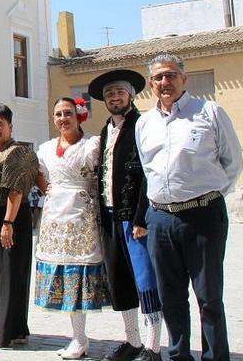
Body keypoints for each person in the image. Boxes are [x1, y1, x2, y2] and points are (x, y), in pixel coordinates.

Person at [136, 54, 242, 361]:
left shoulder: (209, 112)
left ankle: (214, 356)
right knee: (170, 296)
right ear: (151, 84)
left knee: (209, 297)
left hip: (203, 216)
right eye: (158, 78)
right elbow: (148, 169)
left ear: (184, 79)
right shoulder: (145, 123)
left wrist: (204, 198)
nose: (164, 83)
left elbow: (232, 163)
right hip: (161, 219)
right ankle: (179, 355)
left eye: (170, 75)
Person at [88, 69, 163, 361]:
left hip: (134, 217)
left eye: (119, 92)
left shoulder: (142, 125)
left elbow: (148, 174)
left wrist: (142, 218)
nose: (114, 97)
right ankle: (132, 341)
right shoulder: (106, 129)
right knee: (119, 281)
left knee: (145, 280)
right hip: (109, 217)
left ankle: (154, 346)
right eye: (109, 94)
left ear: (130, 95)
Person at [35, 97, 110, 359]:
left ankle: (83, 338)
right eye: (58, 114)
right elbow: (38, 173)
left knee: (79, 276)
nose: (63, 118)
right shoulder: (44, 148)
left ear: (79, 116)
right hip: (55, 219)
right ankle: (78, 336)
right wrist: (48, 189)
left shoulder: (93, 145)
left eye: (68, 113)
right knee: (65, 277)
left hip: (82, 218)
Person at [0, 104, 37, 348]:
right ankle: (16, 329)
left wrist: (8, 223)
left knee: (11, 276)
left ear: (10, 127)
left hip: (10, 219)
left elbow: (15, 190)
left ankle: (6, 334)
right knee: (3, 275)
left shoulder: (17, 152)